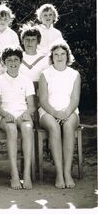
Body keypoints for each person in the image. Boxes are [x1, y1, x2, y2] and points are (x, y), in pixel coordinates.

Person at [0, 47, 35, 190]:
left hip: (22, 113)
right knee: (11, 129)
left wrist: (27, 113)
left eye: (16, 60)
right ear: (4, 63)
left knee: (28, 129)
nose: (13, 63)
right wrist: (5, 114)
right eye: (9, 60)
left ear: (21, 62)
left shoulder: (26, 80)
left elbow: (32, 106)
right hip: (5, 115)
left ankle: (27, 174)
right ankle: (15, 174)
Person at [38, 41, 81, 189]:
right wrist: (55, 113)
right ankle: (59, 173)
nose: (59, 57)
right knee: (54, 127)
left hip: (70, 111)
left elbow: (75, 99)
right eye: (56, 54)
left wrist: (66, 113)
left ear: (67, 56)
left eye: (62, 54)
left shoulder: (74, 74)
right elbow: (42, 99)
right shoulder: (45, 74)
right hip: (48, 112)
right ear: (52, 57)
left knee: (69, 126)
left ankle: (67, 172)